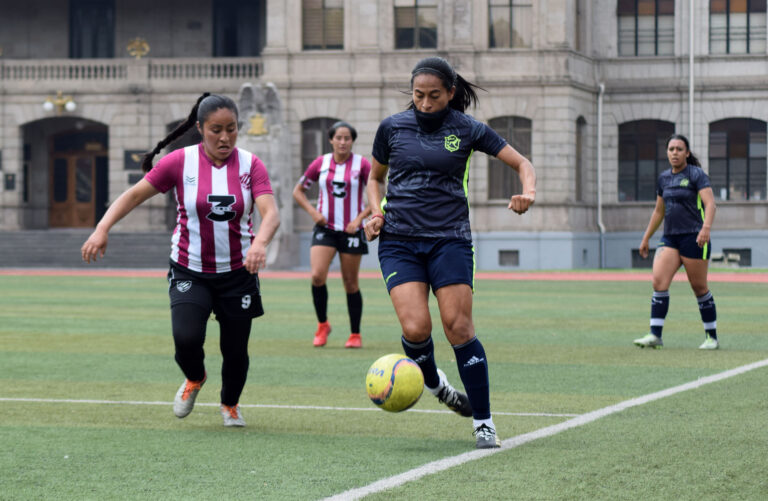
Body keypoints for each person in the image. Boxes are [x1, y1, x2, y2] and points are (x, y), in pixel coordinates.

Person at [364, 57, 536, 449]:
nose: (425, 103)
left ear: (451, 93)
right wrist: (375, 213)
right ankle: (438, 387)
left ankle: (483, 421)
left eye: (434, 96)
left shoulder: (468, 129)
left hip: (449, 239)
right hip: (399, 240)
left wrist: (529, 192)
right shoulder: (392, 127)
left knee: (457, 327)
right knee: (415, 329)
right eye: (418, 95)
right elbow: (375, 177)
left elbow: (522, 163)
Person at [81, 93, 280, 427]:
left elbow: (271, 213)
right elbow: (133, 195)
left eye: (231, 129)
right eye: (216, 129)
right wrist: (102, 228)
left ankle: (230, 404)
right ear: (201, 129)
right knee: (186, 338)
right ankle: (195, 377)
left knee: (235, 351)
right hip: (191, 268)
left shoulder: (251, 165)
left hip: (238, 272)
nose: (225, 137)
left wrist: (260, 243)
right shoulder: (179, 162)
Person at [633, 134, 718, 350]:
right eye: (671, 149)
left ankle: (711, 337)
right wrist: (646, 238)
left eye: (679, 149)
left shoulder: (696, 175)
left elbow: (710, 205)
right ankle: (655, 335)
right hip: (670, 238)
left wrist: (705, 228)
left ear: (687, 153)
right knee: (658, 282)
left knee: (699, 287)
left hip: (695, 236)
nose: (674, 153)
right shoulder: (663, 179)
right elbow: (659, 211)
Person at [293, 121, 372, 349]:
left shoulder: (362, 165)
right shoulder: (321, 163)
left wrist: (360, 218)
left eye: (347, 138)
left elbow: (379, 193)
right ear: (331, 140)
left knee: (350, 283)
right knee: (317, 276)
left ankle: (355, 334)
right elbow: (298, 191)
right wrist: (313, 213)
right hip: (325, 228)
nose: (343, 142)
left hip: (351, 230)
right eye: (339, 137)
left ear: (352, 141)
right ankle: (322, 325)